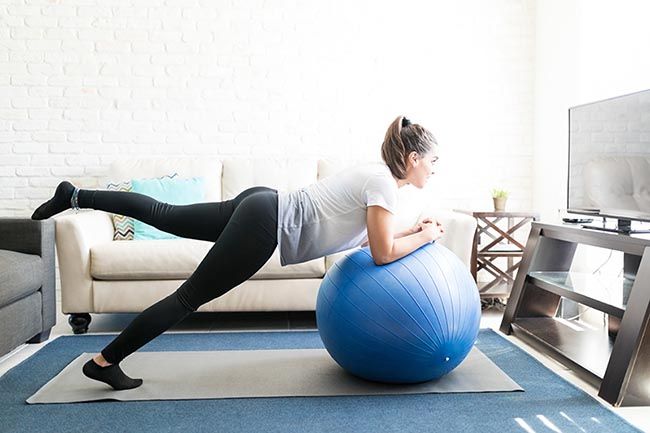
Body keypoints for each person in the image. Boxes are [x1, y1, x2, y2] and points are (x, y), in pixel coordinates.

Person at [30, 115, 444, 390]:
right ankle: (104, 362)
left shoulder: (376, 177)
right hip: (265, 225)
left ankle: (75, 195)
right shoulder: (384, 185)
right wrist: (423, 238)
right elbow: (383, 253)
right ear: (412, 158)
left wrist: (413, 230)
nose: (434, 168)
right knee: (189, 297)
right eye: (432, 161)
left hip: (262, 204)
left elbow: (376, 237)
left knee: (163, 214)